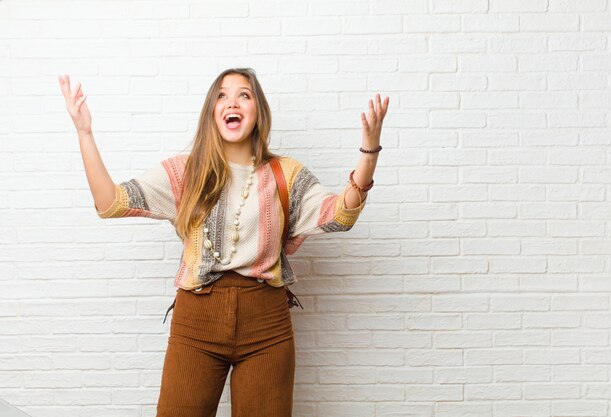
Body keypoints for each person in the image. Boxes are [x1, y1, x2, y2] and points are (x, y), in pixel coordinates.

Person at [58, 67, 389, 417]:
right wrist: (84, 133)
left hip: (267, 326)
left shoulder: (286, 174)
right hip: (196, 323)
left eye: (244, 94)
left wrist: (369, 152)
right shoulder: (186, 172)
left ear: (258, 110)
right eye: (222, 95)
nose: (232, 101)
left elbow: (340, 215)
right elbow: (111, 203)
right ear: (212, 112)